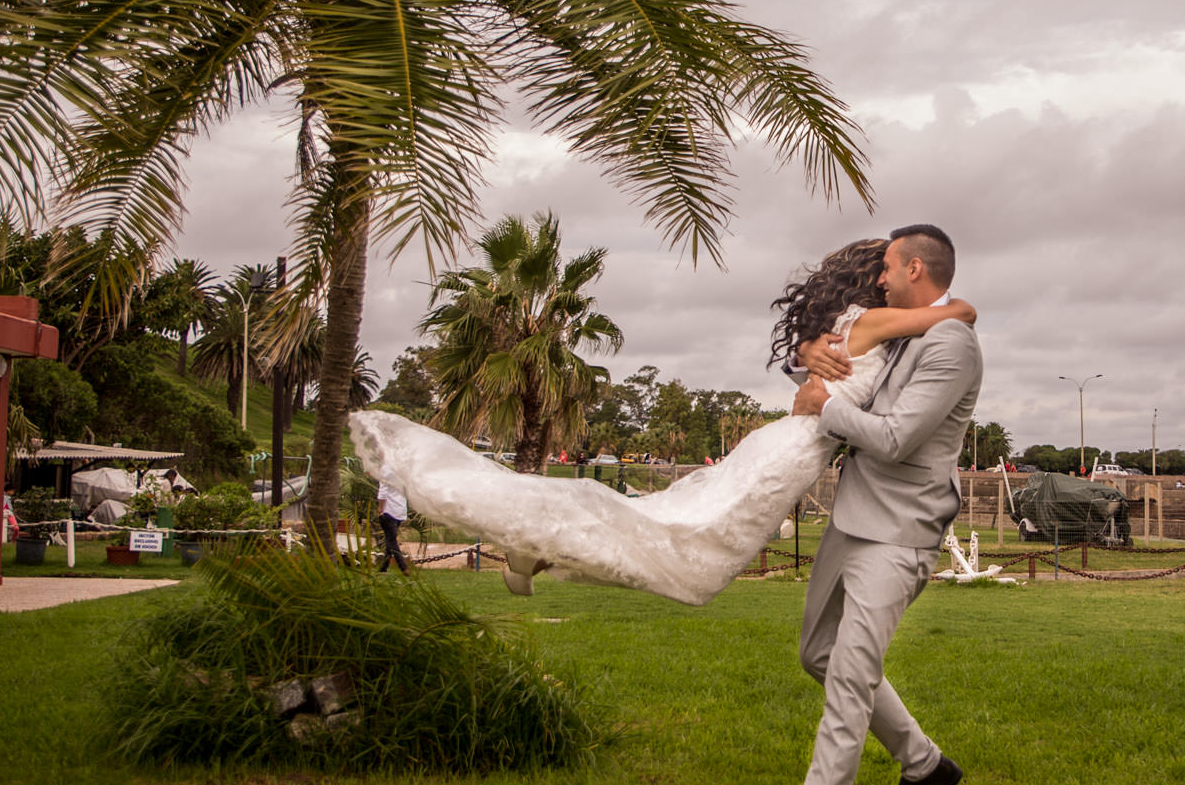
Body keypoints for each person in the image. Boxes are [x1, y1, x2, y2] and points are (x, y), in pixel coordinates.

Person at [345, 237, 976, 606]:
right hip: (796, 445)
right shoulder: (872, 322)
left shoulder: (854, 328)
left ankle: (536, 550)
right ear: (877, 279)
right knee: (689, 535)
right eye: (887, 270)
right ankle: (536, 543)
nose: (892, 276)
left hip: (793, 442)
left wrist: (813, 360)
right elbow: (959, 312)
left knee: (679, 525)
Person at [782, 223, 981, 785]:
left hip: (900, 534)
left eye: (890, 269)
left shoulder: (953, 347)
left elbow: (895, 437)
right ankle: (923, 764)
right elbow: (844, 354)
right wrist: (811, 356)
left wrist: (819, 406)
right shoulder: (909, 326)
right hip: (852, 518)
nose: (881, 279)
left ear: (916, 269)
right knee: (818, 654)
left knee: (850, 672)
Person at [376, 478, 411, 574]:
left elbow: (382, 492)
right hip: (400, 510)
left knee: (391, 541)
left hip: (388, 510)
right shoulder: (400, 471)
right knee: (390, 539)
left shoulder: (385, 471)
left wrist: (380, 508)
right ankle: (383, 568)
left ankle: (403, 567)